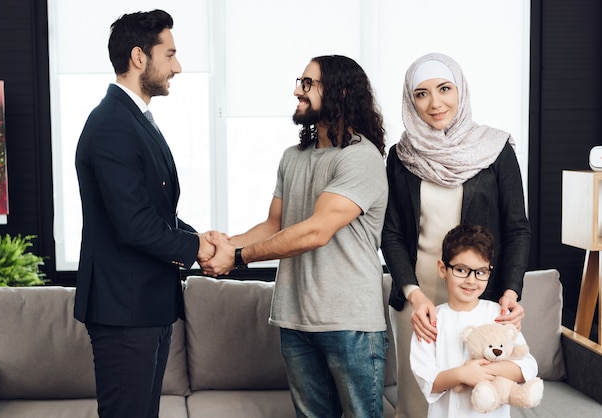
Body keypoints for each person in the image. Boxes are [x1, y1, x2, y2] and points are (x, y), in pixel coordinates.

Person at [201, 55, 389, 417]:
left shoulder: (360, 158)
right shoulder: (293, 157)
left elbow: (316, 231)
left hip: (348, 322)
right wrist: (222, 245)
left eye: (307, 84)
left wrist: (238, 258)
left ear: (340, 91)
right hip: (295, 319)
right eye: (299, 82)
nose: (296, 91)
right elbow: (274, 224)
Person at [74, 9, 214, 418]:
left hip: (145, 306)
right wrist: (198, 248)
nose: (178, 67)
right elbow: (134, 226)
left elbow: (156, 212)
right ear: (139, 57)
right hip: (124, 310)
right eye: (169, 55)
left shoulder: (135, 119)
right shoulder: (112, 125)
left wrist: (200, 238)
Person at [380, 52, 531, 418]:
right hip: (420, 304)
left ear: (460, 90)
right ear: (409, 99)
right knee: (418, 402)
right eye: (421, 93)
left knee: (475, 400)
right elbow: (392, 233)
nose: (435, 103)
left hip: (477, 300)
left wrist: (509, 293)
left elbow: (517, 229)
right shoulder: (401, 157)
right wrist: (414, 296)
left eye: (444, 89)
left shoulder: (495, 150)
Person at [410, 224, 538, 418]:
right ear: (443, 269)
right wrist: (462, 374)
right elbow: (426, 378)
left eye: (480, 272)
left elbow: (527, 366)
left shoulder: (498, 314)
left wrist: (486, 370)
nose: (471, 280)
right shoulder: (430, 321)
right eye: (461, 270)